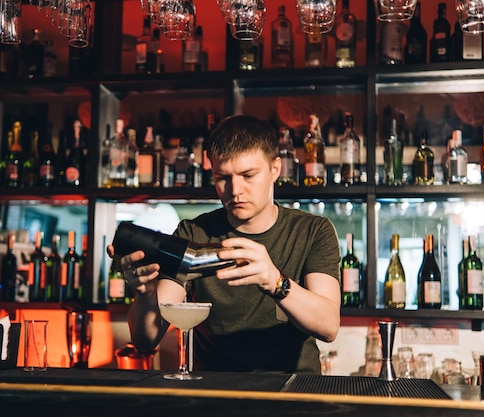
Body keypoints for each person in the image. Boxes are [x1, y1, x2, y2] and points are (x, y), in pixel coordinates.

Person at [108, 114, 341, 373]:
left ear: (275, 169)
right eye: (223, 177)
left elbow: (329, 326)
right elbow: (145, 340)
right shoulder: (193, 233)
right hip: (216, 393)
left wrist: (275, 282)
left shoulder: (313, 230)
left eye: (248, 175)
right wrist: (145, 296)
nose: (235, 190)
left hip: (293, 392)